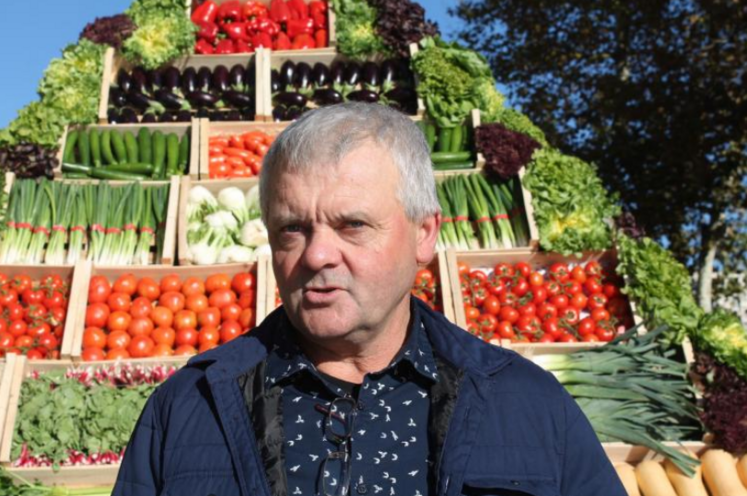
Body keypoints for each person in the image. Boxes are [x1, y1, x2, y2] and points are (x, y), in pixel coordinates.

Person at [112, 102, 626, 496]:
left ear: (424, 235)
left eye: (352, 225)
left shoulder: (529, 405)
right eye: (292, 229)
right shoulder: (187, 406)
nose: (317, 255)